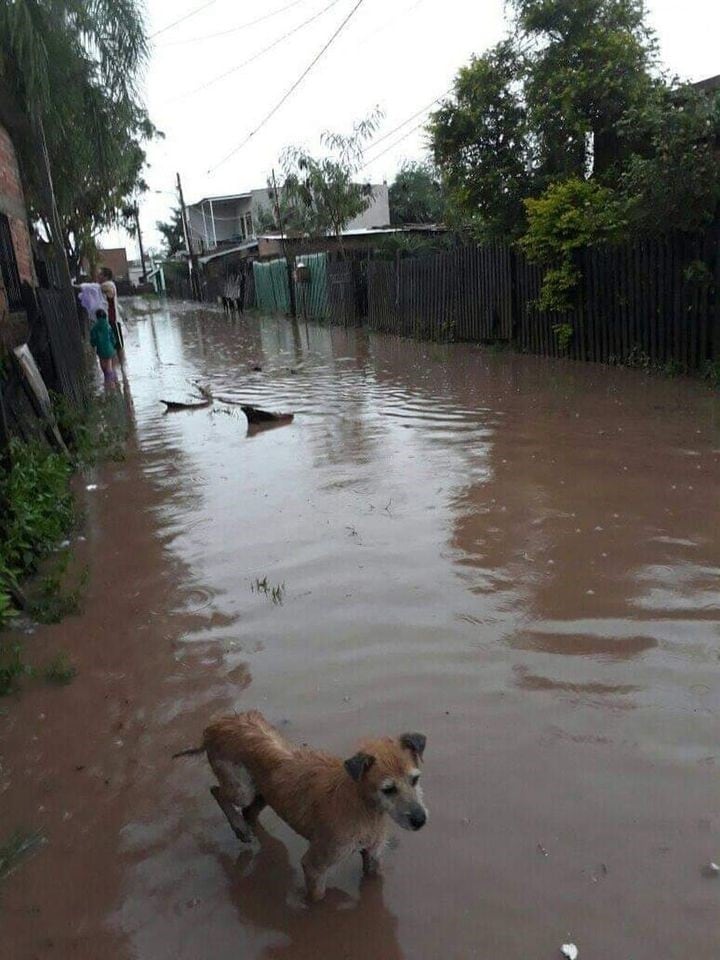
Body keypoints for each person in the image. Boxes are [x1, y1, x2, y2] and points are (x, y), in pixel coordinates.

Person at [98, 266, 124, 356]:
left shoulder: (108, 284)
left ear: (106, 276)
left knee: (118, 345)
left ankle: (123, 366)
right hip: (107, 320)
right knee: (112, 345)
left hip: (113, 320)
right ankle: (117, 367)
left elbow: (102, 288)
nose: (98, 276)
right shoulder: (106, 285)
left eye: (100, 274)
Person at [90, 308, 117, 387]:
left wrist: (93, 344)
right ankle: (112, 384)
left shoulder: (94, 327)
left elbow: (93, 341)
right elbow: (113, 338)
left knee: (104, 367)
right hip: (109, 350)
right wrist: (114, 345)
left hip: (100, 350)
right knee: (109, 366)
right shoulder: (108, 325)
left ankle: (108, 383)